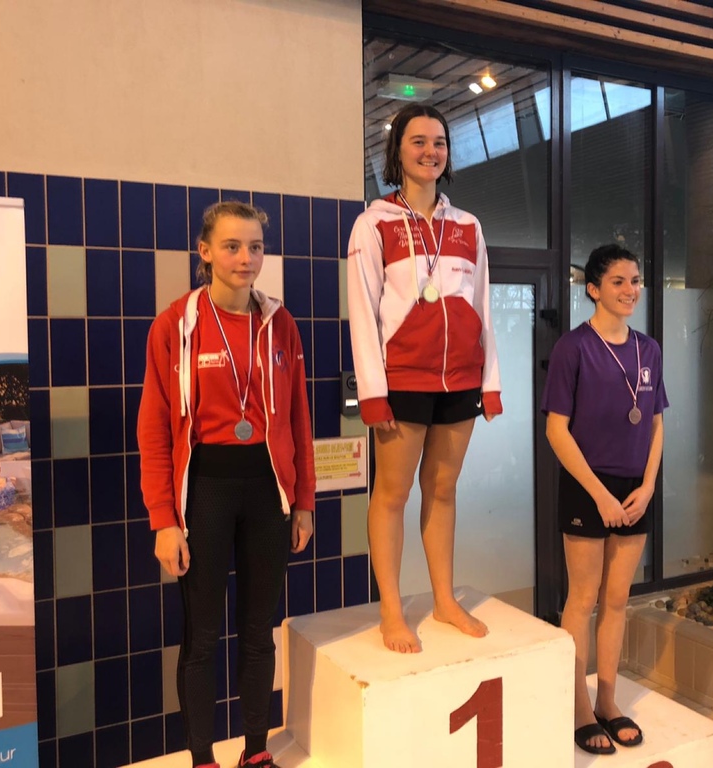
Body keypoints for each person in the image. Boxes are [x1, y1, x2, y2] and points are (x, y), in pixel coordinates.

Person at [138, 200, 315, 768]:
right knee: (203, 636)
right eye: (233, 246)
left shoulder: (280, 323)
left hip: (267, 491)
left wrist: (304, 501)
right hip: (205, 492)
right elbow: (154, 429)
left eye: (255, 247)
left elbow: (299, 420)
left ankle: (256, 752)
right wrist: (164, 520)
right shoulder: (175, 325)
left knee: (259, 631)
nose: (246, 258)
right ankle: (202, 759)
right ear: (206, 252)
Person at [347, 103, 502, 654]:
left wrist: (489, 382)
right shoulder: (374, 223)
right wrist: (373, 393)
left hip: (459, 379)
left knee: (442, 489)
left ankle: (443, 599)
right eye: (418, 141)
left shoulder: (468, 226)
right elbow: (362, 312)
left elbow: (482, 306)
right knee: (392, 494)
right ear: (398, 151)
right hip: (403, 379)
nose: (430, 151)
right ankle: (392, 609)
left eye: (439, 142)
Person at [542, 244, 668, 755]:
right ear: (593, 289)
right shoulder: (573, 348)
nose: (630, 290)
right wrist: (599, 495)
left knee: (617, 601)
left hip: (634, 489)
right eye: (618, 281)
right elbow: (556, 430)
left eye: (635, 280)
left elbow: (656, 423)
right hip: (585, 486)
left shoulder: (648, 349)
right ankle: (578, 708)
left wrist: (648, 486)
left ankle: (608, 702)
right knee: (583, 599)